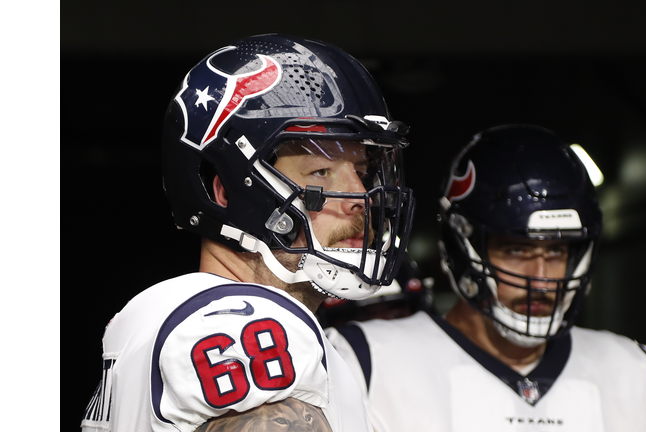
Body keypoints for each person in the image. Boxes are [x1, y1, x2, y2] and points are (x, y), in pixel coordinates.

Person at [80, 34, 415, 432]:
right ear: (226, 192)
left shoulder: (157, 314)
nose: (360, 196)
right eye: (320, 173)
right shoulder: (243, 324)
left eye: (361, 172)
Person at [326, 124, 646, 432]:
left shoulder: (630, 370)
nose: (540, 279)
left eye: (556, 252)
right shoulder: (365, 361)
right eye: (517, 250)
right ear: (463, 247)